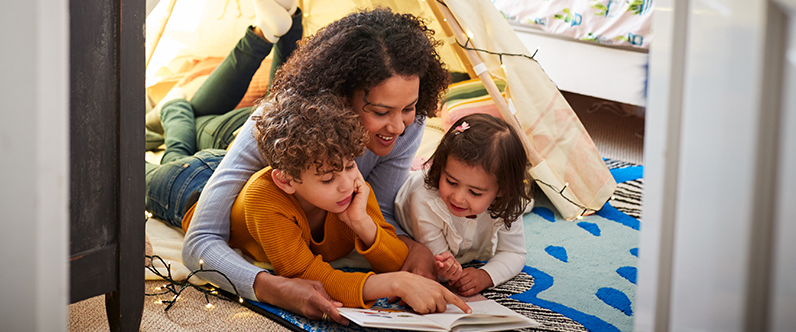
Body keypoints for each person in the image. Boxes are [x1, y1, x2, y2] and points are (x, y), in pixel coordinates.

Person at [173, 3, 452, 323]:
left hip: (278, 194)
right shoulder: (269, 122)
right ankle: (174, 109)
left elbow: (379, 214)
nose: (399, 127)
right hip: (198, 174)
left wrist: (411, 246)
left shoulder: (407, 124)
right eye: (380, 112)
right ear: (340, 97)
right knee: (182, 134)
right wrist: (270, 287)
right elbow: (199, 243)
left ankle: (283, 26)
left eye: (409, 108)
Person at [172, 93, 469, 315]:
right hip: (190, 187)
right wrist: (396, 284)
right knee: (161, 161)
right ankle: (176, 107)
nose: (346, 184)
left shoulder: (352, 188)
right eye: (327, 178)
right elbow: (307, 275)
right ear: (286, 181)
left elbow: (394, 260)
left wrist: (364, 225)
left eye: (351, 165)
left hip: (236, 175)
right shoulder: (265, 199)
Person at [395, 113, 534, 296]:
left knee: (524, 203)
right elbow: (437, 264)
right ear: (441, 168)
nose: (458, 198)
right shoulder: (424, 200)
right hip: (407, 191)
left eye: (475, 192)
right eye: (451, 182)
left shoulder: (508, 202)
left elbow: (514, 253)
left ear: (501, 189)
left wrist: (485, 275)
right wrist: (447, 270)